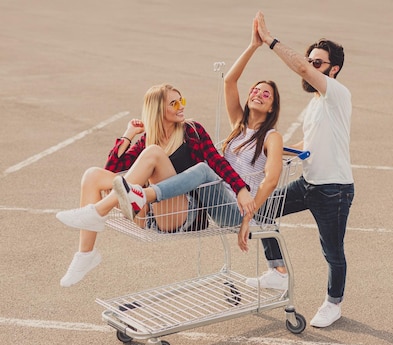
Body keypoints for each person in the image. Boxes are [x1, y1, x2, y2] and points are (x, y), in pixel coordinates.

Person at [113, 16, 284, 255]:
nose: (258, 94)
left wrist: (250, 213)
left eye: (266, 95)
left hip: (235, 206)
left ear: (271, 107)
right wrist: (253, 46)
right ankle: (120, 201)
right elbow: (229, 81)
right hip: (216, 196)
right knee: (203, 168)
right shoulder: (239, 125)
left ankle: (144, 196)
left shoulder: (271, 137)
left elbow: (272, 179)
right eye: (255, 90)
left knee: (204, 168)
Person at [56, 83, 254, 287]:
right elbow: (112, 170)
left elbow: (216, 161)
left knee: (153, 153)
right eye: (174, 103)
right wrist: (128, 134)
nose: (181, 106)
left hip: (183, 213)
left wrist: (240, 189)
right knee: (92, 175)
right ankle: (85, 255)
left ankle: (98, 211)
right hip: (149, 213)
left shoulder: (192, 131)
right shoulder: (148, 139)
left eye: (181, 100)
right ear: (158, 109)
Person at [249, 11, 355, 328]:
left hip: (334, 190)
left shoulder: (337, 93)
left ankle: (333, 304)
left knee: (332, 251)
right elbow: (311, 143)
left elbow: (299, 66)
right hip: (308, 184)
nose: (310, 67)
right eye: (311, 61)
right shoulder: (316, 105)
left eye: (317, 63)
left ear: (333, 69)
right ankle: (277, 272)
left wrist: (269, 41)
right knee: (262, 210)